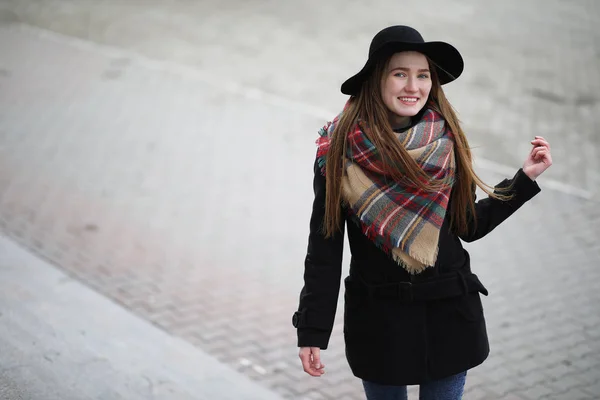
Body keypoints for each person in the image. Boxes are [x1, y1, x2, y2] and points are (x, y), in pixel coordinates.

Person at [292, 25, 552, 400]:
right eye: (400, 73)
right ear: (376, 80)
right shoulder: (339, 155)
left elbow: (469, 225)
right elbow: (324, 250)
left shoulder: (445, 144)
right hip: (379, 322)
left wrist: (524, 179)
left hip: (448, 316)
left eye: (422, 75)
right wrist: (312, 331)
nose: (412, 86)